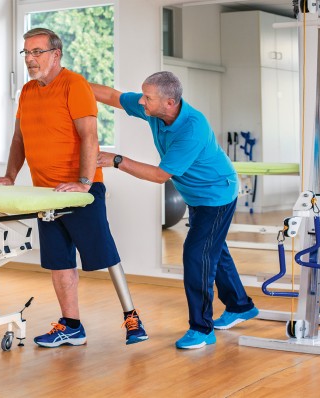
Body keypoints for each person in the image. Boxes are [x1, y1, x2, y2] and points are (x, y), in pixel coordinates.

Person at [0, 28, 148, 347]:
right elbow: (20, 139)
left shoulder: (75, 85)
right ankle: (71, 324)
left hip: (81, 192)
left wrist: (84, 183)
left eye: (37, 52)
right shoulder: (28, 91)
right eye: (26, 53)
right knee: (59, 261)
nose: (30, 59)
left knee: (105, 254)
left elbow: (89, 136)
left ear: (55, 54)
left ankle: (131, 316)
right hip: (45, 194)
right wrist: (10, 176)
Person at [90, 71, 258, 349]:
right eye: (143, 95)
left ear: (170, 102)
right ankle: (240, 305)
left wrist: (117, 160)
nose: (142, 102)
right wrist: (70, 81)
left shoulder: (192, 128)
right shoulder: (155, 110)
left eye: (148, 98)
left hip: (216, 195)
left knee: (197, 255)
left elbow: (159, 175)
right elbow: (112, 96)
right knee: (213, 251)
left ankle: (202, 328)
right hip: (196, 195)